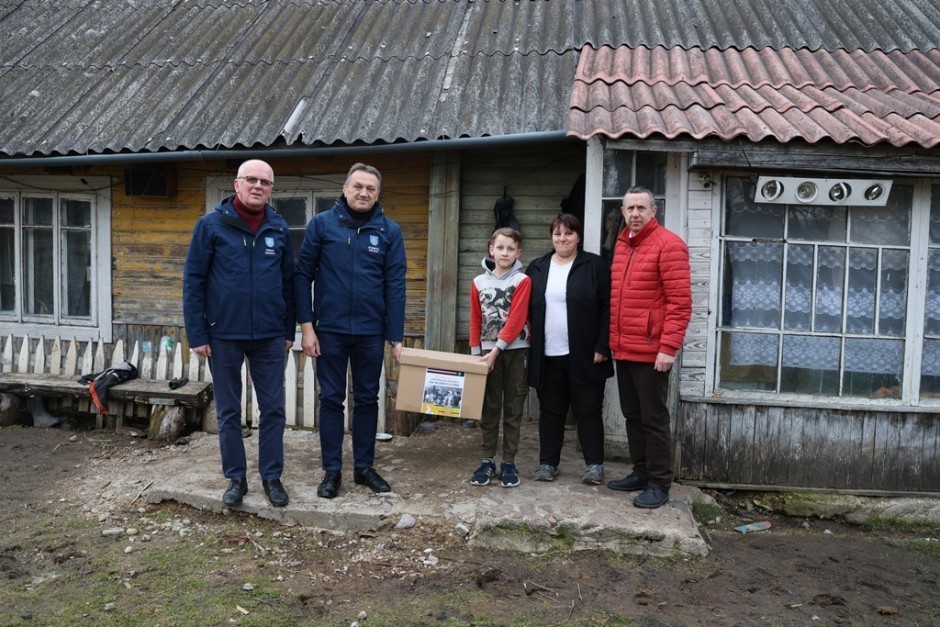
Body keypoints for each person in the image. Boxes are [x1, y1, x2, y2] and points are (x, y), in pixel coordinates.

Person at [183, 159, 295, 508]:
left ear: (271, 189)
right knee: (229, 411)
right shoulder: (211, 226)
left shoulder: (278, 227)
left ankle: (272, 477)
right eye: (251, 180)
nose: (258, 186)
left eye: (265, 182)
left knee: (273, 409)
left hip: (269, 336)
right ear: (237, 184)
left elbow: (289, 284)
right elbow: (194, 281)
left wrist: (287, 329)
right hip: (223, 335)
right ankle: (236, 478)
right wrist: (197, 334)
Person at [294, 163, 407, 499]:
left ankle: (364, 468)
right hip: (329, 330)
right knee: (331, 399)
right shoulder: (322, 225)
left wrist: (395, 337)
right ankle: (332, 471)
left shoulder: (389, 231)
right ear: (344, 189)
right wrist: (306, 327)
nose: (363, 193)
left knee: (368, 399)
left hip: (371, 333)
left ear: (378, 194)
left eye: (370, 188)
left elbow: (395, 285)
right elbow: (302, 276)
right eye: (358, 186)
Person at [608, 186, 692, 509]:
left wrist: (668, 347)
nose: (635, 214)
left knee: (653, 419)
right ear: (622, 212)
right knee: (632, 415)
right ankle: (641, 472)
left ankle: (659, 483)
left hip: (652, 351)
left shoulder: (669, 245)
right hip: (624, 348)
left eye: (641, 208)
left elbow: (680, 304)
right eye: (630, 208)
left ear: (654, 211)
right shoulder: (622, 244)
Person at [526, 214, 613, 485]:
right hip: (547, 354)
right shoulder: (537, 267)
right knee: (551, 412)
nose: (562, 239)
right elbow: (523, 308)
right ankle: (547, 463)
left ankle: (594, 465)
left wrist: (602, 344)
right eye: (557, 234)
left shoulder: (594, 265)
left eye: (568, 233)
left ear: (578, 237)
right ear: (551, 237)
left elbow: (607, 308)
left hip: (586, 354)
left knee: (588, 411)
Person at [468, 228, 532, 488]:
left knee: (513, 408)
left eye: (510, 249)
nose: (505, 253)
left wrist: (496, 351)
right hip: (486, 353)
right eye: (500, 247)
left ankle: (508, 461)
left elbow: (516, 319)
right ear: (491, 249)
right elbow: (475, 319)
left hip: (516, 351)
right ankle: (487, 460)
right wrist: (477, 355)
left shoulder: (522, 281)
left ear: (518, 252)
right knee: (489, 406)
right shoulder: (478, 282)